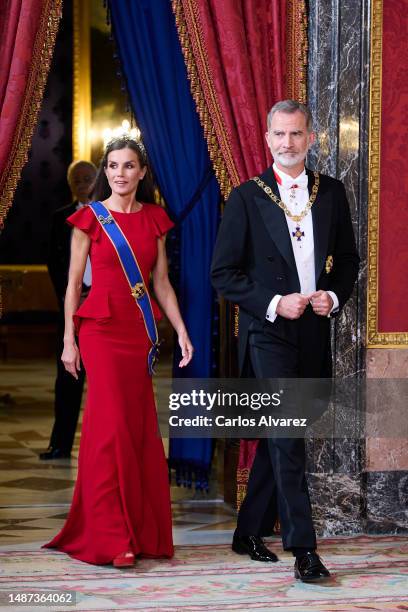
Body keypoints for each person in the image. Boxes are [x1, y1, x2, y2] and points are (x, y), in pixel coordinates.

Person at [211, 100, 359, 582]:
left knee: (292, 427)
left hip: (315, 329)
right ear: (267, 138)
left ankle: (248, 528)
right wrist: (276, 301)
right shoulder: (246, 197)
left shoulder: (332, 192)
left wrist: (332, 298)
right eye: (279, 134)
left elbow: (349, 260)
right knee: (288, 435)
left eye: (296, 134)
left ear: (311, 138)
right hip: (269, 332)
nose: (287, 143)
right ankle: (304, 551)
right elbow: (224, 275)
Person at [44, 136, 193, 566]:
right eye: (113, 166)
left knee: (138, 425)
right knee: (110, 427)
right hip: (100, 330)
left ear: (142, 172)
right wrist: (69, 340)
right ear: (104, 171)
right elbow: (73, 285)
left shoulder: (155, 220)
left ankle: (141, 530)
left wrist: (181, 331)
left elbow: (160, 282)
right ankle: (113, 536)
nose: (120, 174)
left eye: (129, 166)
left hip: (139, 332)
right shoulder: (88, 219)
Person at [40, 161, 96, 460]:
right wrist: (69, 299)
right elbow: (53, 263)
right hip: (72, 308)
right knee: (67, 378)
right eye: (77, 178)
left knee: (104, 383)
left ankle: (102, 450)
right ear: (69, 182)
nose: (82, 182)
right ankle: (60, 444)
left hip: (103, 305)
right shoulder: (61, 217)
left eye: (88, 177)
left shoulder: (110, 214)